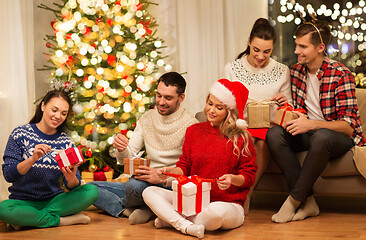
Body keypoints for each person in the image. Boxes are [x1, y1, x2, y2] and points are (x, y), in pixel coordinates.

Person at [266, 19, 366, 223]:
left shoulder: (341, 74)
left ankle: (293, 201)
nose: (296, 51)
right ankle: (309, 201)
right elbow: (301, 109)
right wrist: (288, 104)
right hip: (310, 132)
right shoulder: (295, 71)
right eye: (296, 45)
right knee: (274, 134)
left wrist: (311, 124)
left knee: (320, 137)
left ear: (320, 48)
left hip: (338, 138)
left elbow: (348, 126)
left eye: (303, 46)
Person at [142, 79, 257, 239]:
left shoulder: (241, 138)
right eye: (210, 104)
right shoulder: (193, 131)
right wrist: (170, 172)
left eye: (219, 107)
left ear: (230, 111)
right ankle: (185, 226)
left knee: (214, 214)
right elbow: (185, 166)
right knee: (149, 191)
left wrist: (232, 179)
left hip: (228, 204)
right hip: (193, 201)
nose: (211, 110)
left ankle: (170, 220)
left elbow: (249, 177)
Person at [88, 72, 198, 224]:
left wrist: (162, 177)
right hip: (145, 181)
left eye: (168, 98)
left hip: (171, 185)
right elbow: (126, 159)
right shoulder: (147, 118)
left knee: (134, 185)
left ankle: (149, 206)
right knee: (89, 189)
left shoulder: (191, 125)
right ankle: (145, 210)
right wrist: (122, 148)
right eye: (159, 95)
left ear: (181, 98)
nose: (161, 102)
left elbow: (192, 170)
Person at [0, 89, 99, 230]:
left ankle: (29, 219)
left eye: (63, 113)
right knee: (2, 209)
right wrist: (32, 159)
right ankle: (62, 221)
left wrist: (71, 178)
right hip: (23, 201)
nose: (58, 116)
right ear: (43, 106)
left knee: (91, 191)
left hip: (54, 201)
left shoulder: (66, 142)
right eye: (54, 110)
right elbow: (9, 174)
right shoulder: (20, 134)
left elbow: (73, 186)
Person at [223, 17, 292, 214]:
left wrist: (283, 102)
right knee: (244, 138)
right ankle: (227, 193)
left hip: (268, 126)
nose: (261, 56)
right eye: (256, 50)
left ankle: (247, 195)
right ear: (249, 43)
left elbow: (289, 106)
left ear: (273, 49)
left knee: (263, 142)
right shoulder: (232, 68)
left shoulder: (281, 70)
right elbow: (223, 100)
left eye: (267, 51)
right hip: (240, 123)